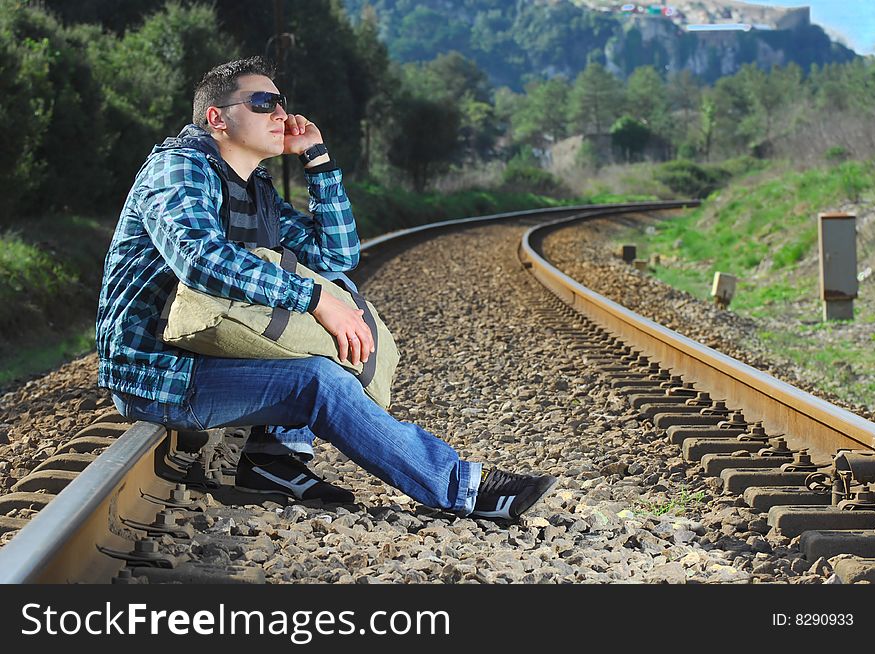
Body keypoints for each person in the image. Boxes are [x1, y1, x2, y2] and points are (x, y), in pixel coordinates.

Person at [96, 56, 555, 521]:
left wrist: (318, 162)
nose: (280, 113)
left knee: (328, 286)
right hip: (157, 370)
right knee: (319, 379)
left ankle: (271, 458)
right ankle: (463, 489)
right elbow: (200, 260)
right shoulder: (178, 171)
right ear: (217, 118)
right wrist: (316, 302)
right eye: (263, 102)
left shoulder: (253, 186)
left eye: (281, 103)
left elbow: (335, 256)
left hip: (204, 350)